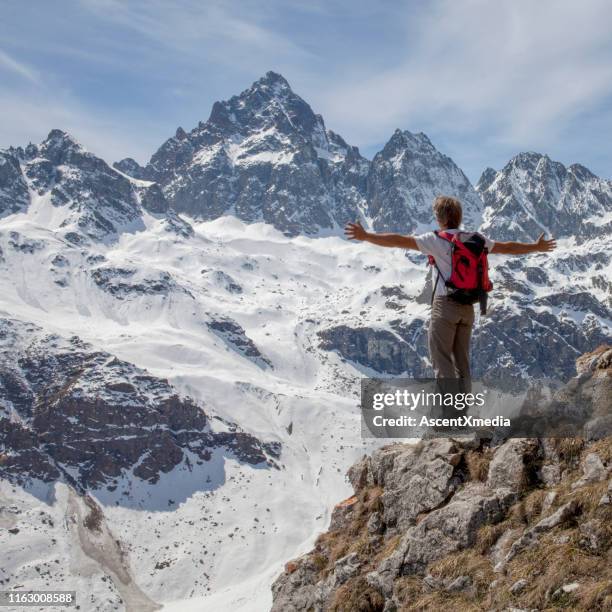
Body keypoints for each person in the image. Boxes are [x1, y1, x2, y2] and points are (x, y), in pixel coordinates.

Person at [344, 195, 556, 381]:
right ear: (459, 217)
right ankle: (460, 416)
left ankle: (448, 419)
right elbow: (508, 247)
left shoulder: (436, 239)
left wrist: (367, 236)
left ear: (442, 219)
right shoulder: (478, 240)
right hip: (468, 308)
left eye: (437, 216)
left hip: (445, 307)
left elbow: (399, 241)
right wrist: (536, 247)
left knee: (442, 361)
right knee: (462, 365)